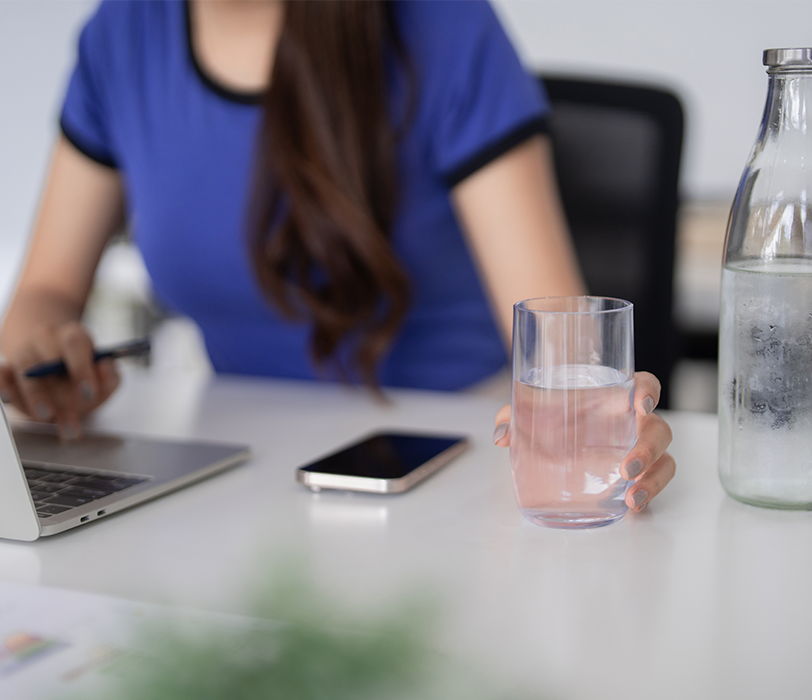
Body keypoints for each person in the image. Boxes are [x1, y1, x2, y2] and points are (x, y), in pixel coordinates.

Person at [0, 0, 674, 513]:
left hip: (451, 462)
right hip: (237, 464)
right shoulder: (122, 32)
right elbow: (47, 291)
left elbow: (561, 346)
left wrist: (607, 416)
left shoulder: (443, 24)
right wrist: (38, 348)